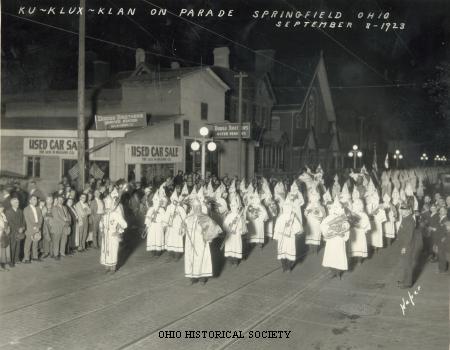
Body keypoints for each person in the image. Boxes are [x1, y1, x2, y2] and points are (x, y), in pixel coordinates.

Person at [183, 197, 221, 284]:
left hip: (201, 242)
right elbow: (182, 229)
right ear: (192, 207)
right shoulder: (189, 217)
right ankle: (192, 278)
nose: (196, 209)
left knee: (201, 258)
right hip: (190, 243)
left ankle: (202, 278)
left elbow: (214, 229)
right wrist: (183, 227)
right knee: (190, 259)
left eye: (198, 207)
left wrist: (207, 237)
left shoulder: (205, 217)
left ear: (200, 207)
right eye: (194, 207)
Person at [99, 182, 128, 273]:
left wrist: (118, 232)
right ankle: (107, 266)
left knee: (113, 250)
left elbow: (124, 224)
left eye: (109, 205)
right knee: (105, 250)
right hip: (106, 235)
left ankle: (113, 268)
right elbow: (101, 223)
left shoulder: (116, 214)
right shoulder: (104, 215)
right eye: (106, 205)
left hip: (113, 234)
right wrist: (102, 230)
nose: (107, 207)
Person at [320, 197, 350, 279]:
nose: (336, 209)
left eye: (338, 208)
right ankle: (333, 271)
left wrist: (343, 235)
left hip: (339, 240)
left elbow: (347, 227)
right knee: (331, 256)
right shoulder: (329, 218)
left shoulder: (344, 219)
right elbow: (323, 226)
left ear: (341, 209)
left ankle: (338, 273)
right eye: (335, 207)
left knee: (339, 256)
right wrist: (329, 230)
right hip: (331, 241)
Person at [274, 194, 303, 272]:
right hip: (290, 237)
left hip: (282, 237)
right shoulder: (293, 217)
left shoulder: (280, 218)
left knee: (282, 252)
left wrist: (276, 237)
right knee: (290, 252)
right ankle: (288, 267)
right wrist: (295, 232)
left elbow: (276, 229)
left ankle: (284, 267)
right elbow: (298, 229)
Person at [396, 204, 422, 289]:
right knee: (404, 263)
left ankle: (407, 283)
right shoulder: (405, 218)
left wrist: (404, 247)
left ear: (408, 211)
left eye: (404, 210)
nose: (402, 212)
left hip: (407, 246)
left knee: (407, 264)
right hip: (404, 244)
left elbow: (409, 236)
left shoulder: (410, 220)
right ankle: (405, 280)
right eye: (401, 210)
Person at [223, 194, 246, 266]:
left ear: (237, 207)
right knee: (229, 246)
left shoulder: (239, 216)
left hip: (236, 234)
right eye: (232, 206)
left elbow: (241, 225)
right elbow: (225, 224)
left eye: (234, 206)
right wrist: (228, 229)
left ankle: (236, 261)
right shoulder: (228, 215)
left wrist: (237, 230)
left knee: (236, 246)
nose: (233, 207)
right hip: (229, 234)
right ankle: (230, 260)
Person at [163, 191, 186, 261]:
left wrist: (179, 215)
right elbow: (166, 216)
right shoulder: (169, 207)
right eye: (173, 200)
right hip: (170, 226)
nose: (174, 201)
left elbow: (184, 217)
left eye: (176, 200)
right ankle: (170, 255)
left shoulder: (180, 208)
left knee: (177, 240)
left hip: (177, 226)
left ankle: (177, 256)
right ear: (171, 200)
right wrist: (165, 225)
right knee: (169, 240)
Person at [50, 194, 71, 260]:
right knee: (56, 241)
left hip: (65, 226)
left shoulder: (65, 208)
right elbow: (56, 218)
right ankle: (56, 254)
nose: (61, 201)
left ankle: (62, 253)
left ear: (63, 200)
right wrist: (64, 223)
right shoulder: (54, 208)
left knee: (64, 240)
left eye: (62, 200)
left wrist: (69, 222)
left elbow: (68, 216)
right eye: (59, 200)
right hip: (58, 226)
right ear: (57, 200)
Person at [5, 197, 25, 265]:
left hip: (19, 232)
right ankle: (11, 261)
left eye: (18, 202)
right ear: (12, 203)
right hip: (12, 232)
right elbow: (10, 223)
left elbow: (23, 221)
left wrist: (22, 227)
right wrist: (18, 229)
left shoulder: (20, 211)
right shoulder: (8, 212)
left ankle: (17, 259)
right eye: (16, 202)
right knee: (12, 246)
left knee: (18, 246)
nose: (18, 203)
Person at [23, 195, 44, 263]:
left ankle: (35, 257)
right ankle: (27, 258)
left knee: (36, 243)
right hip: (30, 229)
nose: (36, 201)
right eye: (34, 199)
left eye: (36, 199)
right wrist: (34, 227)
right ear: (30, 201)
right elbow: (27, 220)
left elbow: (41, 218)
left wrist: (38, 226)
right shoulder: (26, 209)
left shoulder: (38, 208)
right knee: (28, 244)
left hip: (37, 228)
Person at [0, 203, 12, 269]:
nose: (2, 209)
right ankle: (2, 262)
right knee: (1, 248)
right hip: (0, 233)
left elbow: (7, 223)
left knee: (6, 246)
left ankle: (7, 260)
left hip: (5, 233)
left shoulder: (3, 214)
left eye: (2, 208)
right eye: (0, 208)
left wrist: (8, 228)